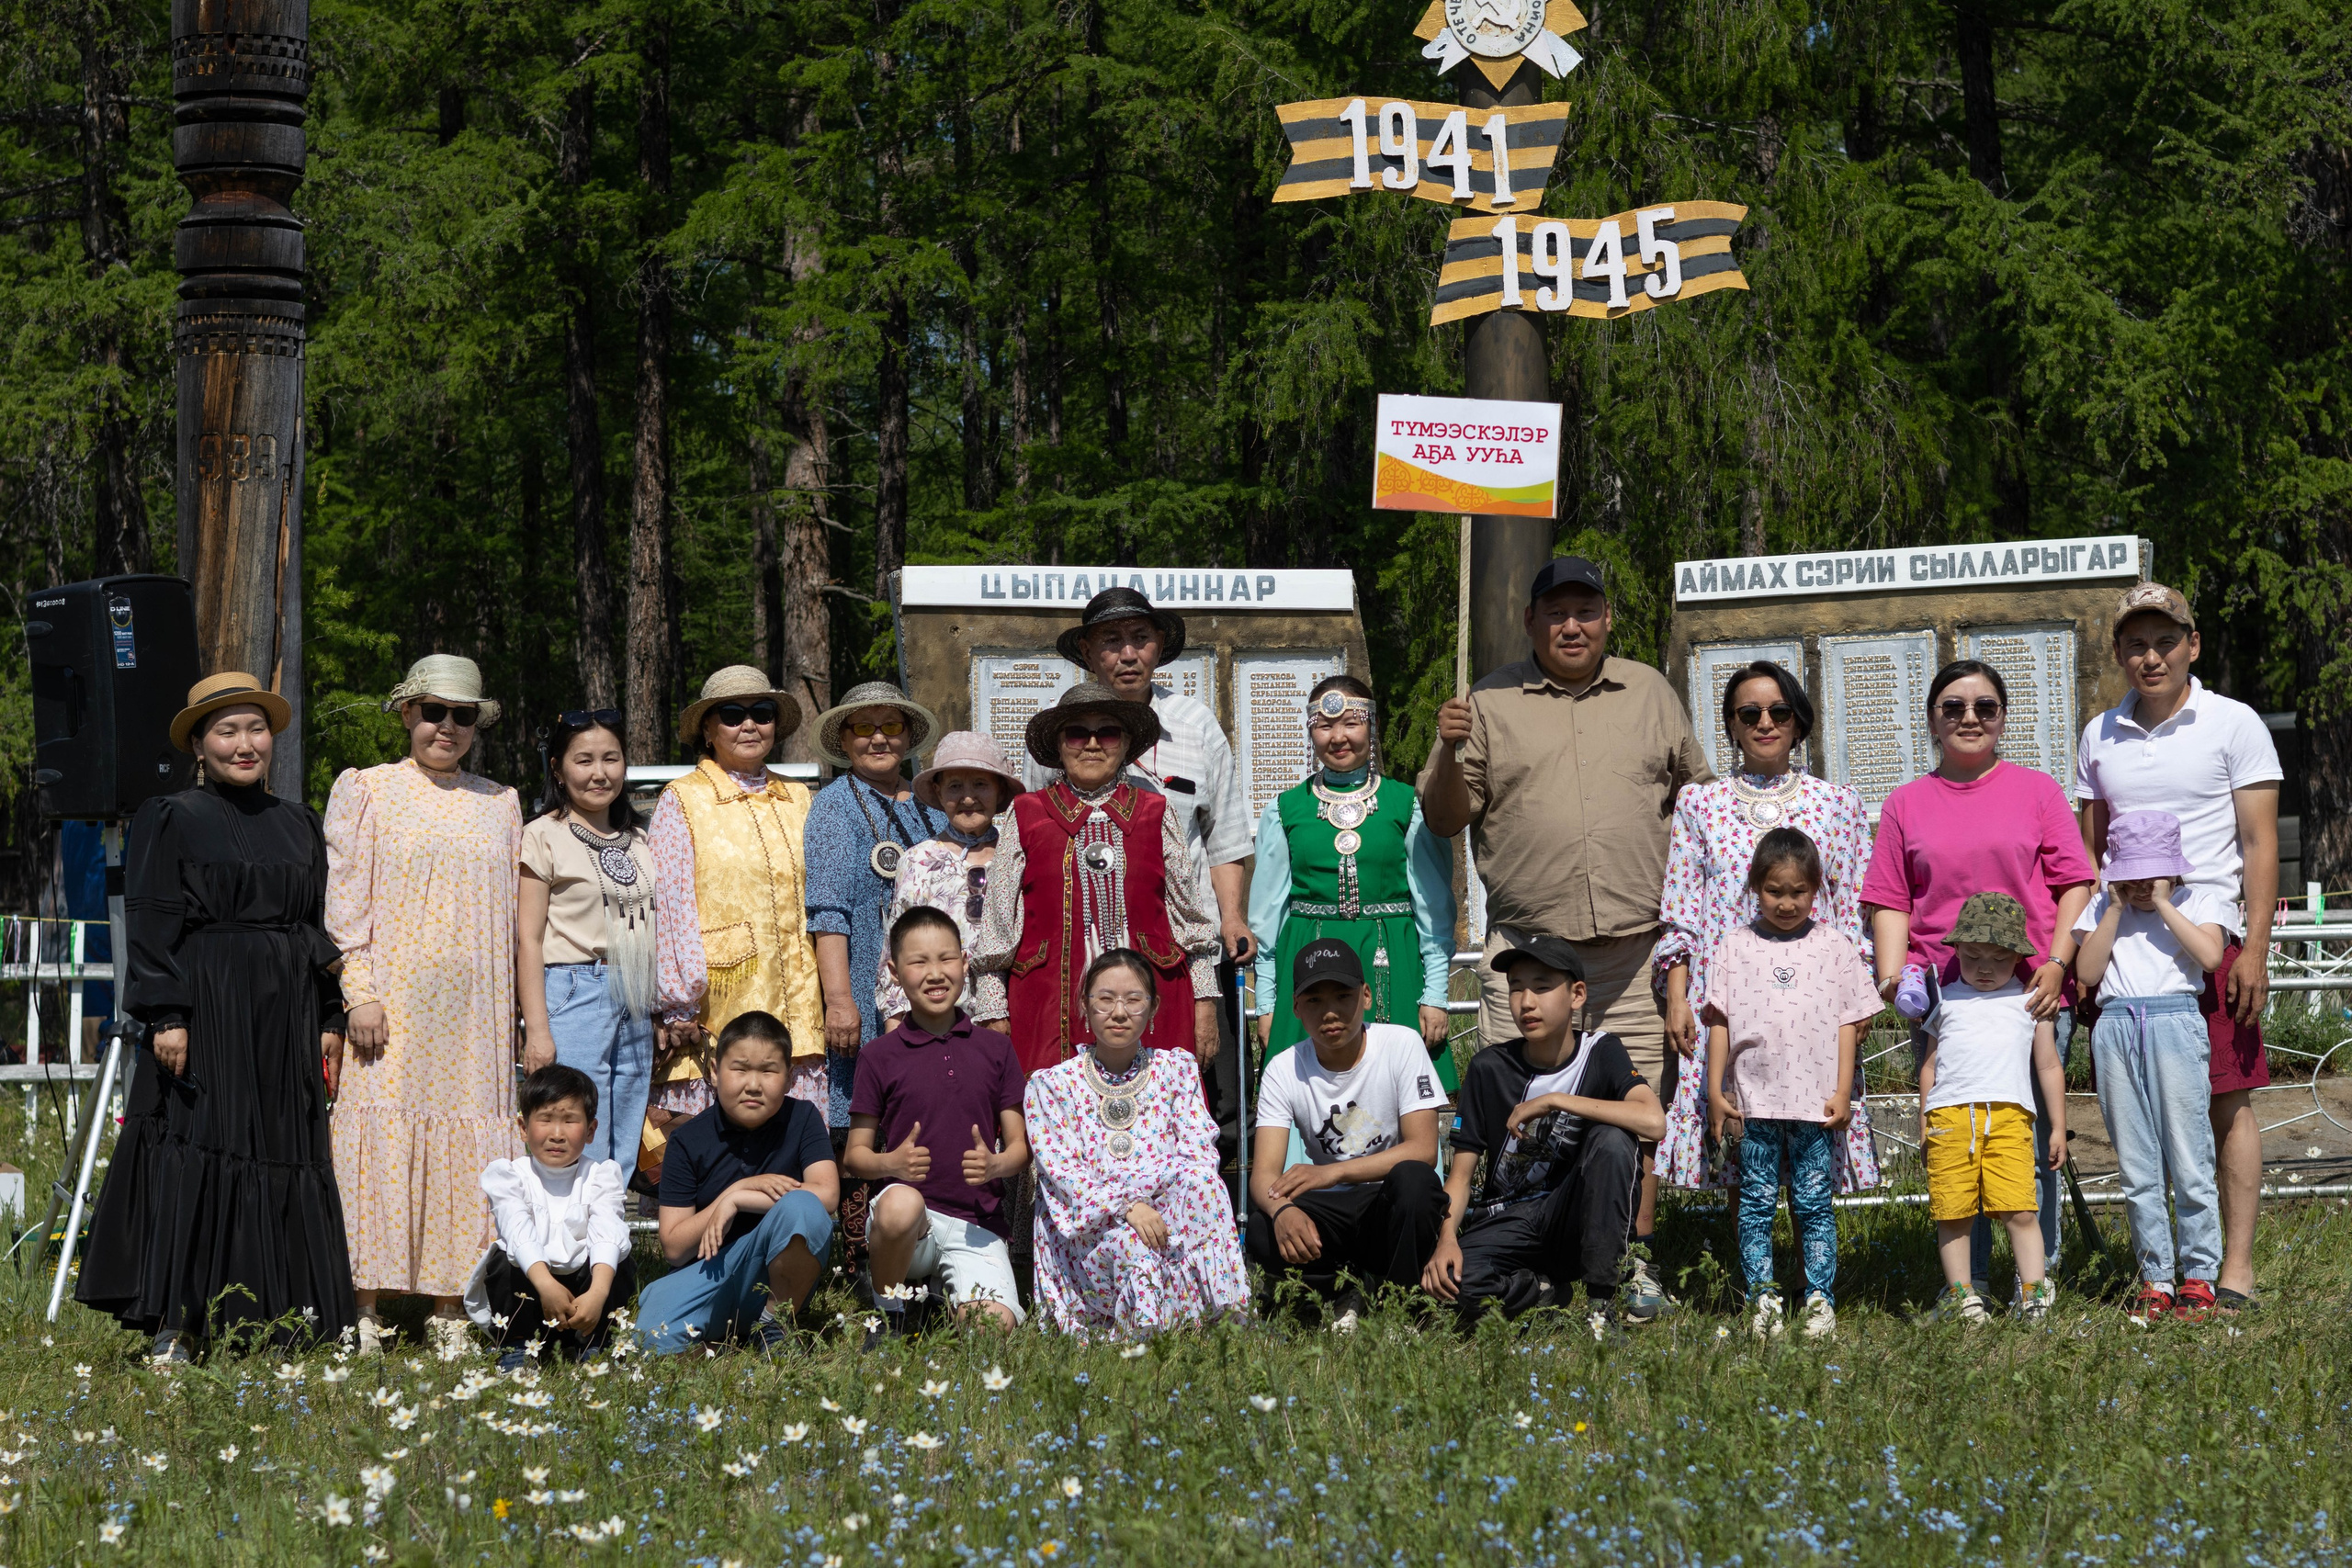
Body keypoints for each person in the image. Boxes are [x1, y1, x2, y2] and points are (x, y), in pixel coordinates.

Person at [1418, 555, 1708, 1323]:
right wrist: (1448, 747)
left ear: (1608, 616)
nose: (1571, 625)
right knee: (1516, 1121)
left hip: (1633, 950)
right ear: (1530, 621)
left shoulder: (1650, 691)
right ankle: (1527, 1258)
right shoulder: (1486, 700)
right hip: (1530, 960)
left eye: (1585, 610)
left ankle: (1629, 1263)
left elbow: (1700, 800)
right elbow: (1446, 818)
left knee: (1633, 1118)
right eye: (1555, 612)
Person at [75, 672, 357, 1361]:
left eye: (255, 728)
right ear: (198, 745)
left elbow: (317, 927)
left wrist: (330, 1014)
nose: (244, 743)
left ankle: (278, 1321)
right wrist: (166, 1012)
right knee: (198, 1146)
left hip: (285, 1014)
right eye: (226, 731)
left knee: (282, 1151)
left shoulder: (300, 822)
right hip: (206, 1008)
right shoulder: (169, 815)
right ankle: (179, 1324)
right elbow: (149, 922)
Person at [2074, 581, 2281, 1314]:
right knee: (2145, 1124)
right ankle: (2162, 1273)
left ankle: (2235, 1269)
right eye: (2136, 643)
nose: (2151, 655)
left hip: (2211, 934)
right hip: (2130, 954)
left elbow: (2259, 843)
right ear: (2121, 653)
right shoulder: (2100, 733)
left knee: (2229, 1099)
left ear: (2193, 643)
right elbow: (2092, 848)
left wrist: (2253, 946)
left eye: (2165, 640)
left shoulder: (2234, 722)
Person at [1860, 658, 2094, 1301]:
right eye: (1954, 707)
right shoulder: (1905, 803)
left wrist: (2056, 961)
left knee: (2025, 1141)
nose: (1969, 717)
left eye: (1985, 707)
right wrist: (1892, 978)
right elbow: (1889, 899)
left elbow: (2075, 882)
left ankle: (2032, 1284)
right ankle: (1972, 1285)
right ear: (1932, 719)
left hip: (2030, 994)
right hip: (1946, 1003)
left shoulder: (2037, 791)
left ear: (2003, 718)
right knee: (1959, 1139)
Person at [324, 654, 524, 1357]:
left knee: (471, 1147)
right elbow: (345, 902)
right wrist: (361, 992)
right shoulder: (366, 790)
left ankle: (449, 1303)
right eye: (434, 711)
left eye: (463, 715)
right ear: (407, 712)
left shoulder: (502, 801)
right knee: (376, 1139)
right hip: (394, 1005)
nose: (448, 726)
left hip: (478, 1013)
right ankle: (363, 1302)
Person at [1042, 588, 1254, 1152]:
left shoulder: (1195, 723)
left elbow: (1226, 837)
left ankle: (1209, 1221)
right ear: (1088, 651)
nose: (1128, 653)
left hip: (1186, 948)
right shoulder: (1060, 727)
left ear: (1160, 647)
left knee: (1209, 1092)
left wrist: (1232, 919)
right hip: (1090, 949)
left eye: (1141, 638)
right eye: (1111, 641)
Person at [1656, 660, 1878, 1195]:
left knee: (1812, 1152)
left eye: (1779, 711)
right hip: (1730, 1002)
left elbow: (1852, 912)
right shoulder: (1699, 803)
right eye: (1749, 712)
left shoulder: (1837, 804)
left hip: (1813, 1004)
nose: (1765, 722)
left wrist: (1857, 994)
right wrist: (1679, 999)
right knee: (1739, 1133)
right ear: (1731, 725)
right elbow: (1682, 911)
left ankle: (1813, 1276)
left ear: (1798, 721)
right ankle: (1753, 1279)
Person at [1422, 934, 1666, 1335]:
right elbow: (1461, 1176)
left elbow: (1653, 1121)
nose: (1526, 1002)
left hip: (1576, 1218)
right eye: (1516, 987)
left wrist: (1557, 1100)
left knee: (1613, 1138)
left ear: (1577, 995)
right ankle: (1544, 1292)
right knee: (1448, 1288)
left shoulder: (1601, 1051)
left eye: (1541, 986)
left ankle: (1601, 1304)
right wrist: (1446, 1238)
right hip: (1508, 1218)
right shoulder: (1488, 1068)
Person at [971, 682, 1221, 1072]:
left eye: (1106, 732)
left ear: (1124, 745)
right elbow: (999, 922)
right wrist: (992, 1007)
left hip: (1153, 996)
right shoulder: (1026, 814)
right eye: (1076, 733)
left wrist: (1204, 1003)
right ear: (1058, 746)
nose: (1091, 744)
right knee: (1052, 1118)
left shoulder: (1157, 812)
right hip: (1048, 1001)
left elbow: (1190, 918)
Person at [1701, 829, 1881, 1340]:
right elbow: (1719, 1022)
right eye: (1774, 891)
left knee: (1813, 1202)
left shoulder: (1835, 947)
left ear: (1816, 889)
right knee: (1754, 1201)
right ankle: (1762, 1296)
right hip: (1753, 1105)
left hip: (1814, 1105)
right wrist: (1717, 1091)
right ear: (1755, 887)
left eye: (1798, 892)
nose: (1786, 902)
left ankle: (1819, 1295)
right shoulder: (1734, 946)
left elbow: (1850, 1022)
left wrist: (1844, 1090)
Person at [647, 666, 826, 1172]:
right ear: (708, 729)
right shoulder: (682, 799)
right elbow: (672, 907)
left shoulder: (800, 798)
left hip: (799, 1001)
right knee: (717, 1160)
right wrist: (678, 1002)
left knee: (790, 1155)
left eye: (761, 713)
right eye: (732, 714)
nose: (749, 725)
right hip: (715, 1007)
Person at [1023, 949, 1250, 1336]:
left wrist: (1144, 1201)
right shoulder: (1052, 1086)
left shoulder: (1176, 1070)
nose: (1119, 1012)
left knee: (1207, 1186)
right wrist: (1128, 1205)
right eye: (1105, 999)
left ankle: (1229, 1319)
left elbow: (1198, 1154)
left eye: (1133, 999)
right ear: (1084, 1004)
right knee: (1135, 1244)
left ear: (1153, 1008)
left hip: (1165, 1215)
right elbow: (1065, 1176)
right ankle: (1147, 1344)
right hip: (1092, 1228)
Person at [1247, 676, 1456, 1089]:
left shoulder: (1407, 804)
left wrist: (1434, 993)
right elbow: (1267, 918)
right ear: (1310, 731)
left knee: (1398, 1085)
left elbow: (1432, 906)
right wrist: (1267, 1002)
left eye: (1351, 723)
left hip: (1390, 959)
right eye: (1325, 726)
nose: (1338, 737)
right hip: (1307, 960)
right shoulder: (1285, 810)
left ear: (1371, 727)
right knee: (1306, 1089)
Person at [2071, 809, 2231, 1320]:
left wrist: (2163, 901)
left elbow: (2209, 957)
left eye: (2153, 874)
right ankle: (2156, 1274)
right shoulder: (2103, 908)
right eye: (2132, 875)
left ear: (2173, 869)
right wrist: (2113, 909)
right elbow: (2089, 971)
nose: (2142, 885)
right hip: (2115, 1024)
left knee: (2189, 1154)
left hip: (2175, 1022)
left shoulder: (2199, 900)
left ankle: (2200, 1273)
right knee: (2137, 1163)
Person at [844, 908, 1029, 1341]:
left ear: (966, 963)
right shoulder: (879, 1055)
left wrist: (996, 1166)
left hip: (975, 1225)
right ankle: (889, 1311)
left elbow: (1020, 1147)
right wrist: (893, 1163)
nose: (935, 974)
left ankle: (934, 1298)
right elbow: (855, 1156)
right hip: (909, 1225)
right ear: (894, 972)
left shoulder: (996, 1050)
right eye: (918, 961)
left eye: (946, 959)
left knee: (989, 1329)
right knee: (900, 1203)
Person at [1245, 940, 1448, 1325]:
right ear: (1296, 1008)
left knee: (1416, 1181)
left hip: (1387, 1205)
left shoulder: (1401, 1043)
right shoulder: (1283, 1069)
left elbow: (1424, 1150)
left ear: (1367, 996)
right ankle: (1341, 1292)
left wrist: (1331, 1172)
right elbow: (1264, 1177)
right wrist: (1282, 1209)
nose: (1331, 1012)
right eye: (1314, 1001)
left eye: (1343, 995)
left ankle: (1404, 1304)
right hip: (1331, 1213)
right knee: (1262, 1227)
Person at [638, 1011, 840, 1355]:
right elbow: (673, 1247)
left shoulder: (802, 1118)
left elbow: (827, 1195)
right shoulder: (688, 1140)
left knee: (804, 1207)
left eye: (768, 1070)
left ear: (789, 1078)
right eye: (740, 1069)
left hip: (775, 1272)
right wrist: (729, 1196)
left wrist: (742, 1199)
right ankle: (730, 1337)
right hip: (708, 1274)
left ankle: (774, 1325)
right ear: (715, 1072)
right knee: (647, 1336)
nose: (753, 1084)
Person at [1916, 893, 2069, 1324]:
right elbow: (1929, 1067)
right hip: (1949, 1119)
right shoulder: (1944, 999)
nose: (1986, 968)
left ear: (2018, 956)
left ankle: (2034, 1295)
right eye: (1974, 956)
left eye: (2000, 959)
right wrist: (1924, 1120)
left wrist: (2057, 1126)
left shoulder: (2031, 1002)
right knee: (1953, 1212)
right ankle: (1963, 1298)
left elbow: (2049, 1065)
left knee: (2020, 1209)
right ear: (1957, 951)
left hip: (2010, 1119)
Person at [517, 709, 658, 1168]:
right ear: (557, 768)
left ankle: (608, 1237)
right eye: (584, 760)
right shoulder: (542, 835)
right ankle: (566, 1240)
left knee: (625, 1135)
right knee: (574, 1130)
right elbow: (529, 940)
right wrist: (537, 1028)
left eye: (611, 758)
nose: (599, 773)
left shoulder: (640, 837)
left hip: (635, 993)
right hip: (574, 991)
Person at [804, 681, 948, 1124]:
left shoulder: (934, 807)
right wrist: (841, 999)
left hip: (932, 982)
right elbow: (829, 913)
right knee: (865, 1110)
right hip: (864, 983)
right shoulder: (833, 806)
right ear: (844, 741)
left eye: (890, 725)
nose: (879, 737)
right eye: (863, 727)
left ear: (908, 736)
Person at [461, 1063, 634, 1369]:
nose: (557, 1134)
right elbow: (517, 1230)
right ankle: (517, 1348)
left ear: (591, 1130)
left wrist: (598, 1293)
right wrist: (546, 1285)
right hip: (531, 1299)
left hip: (586, 1305)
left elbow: (608, 1230)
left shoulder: (601, 1176)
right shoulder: (510, 1176)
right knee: (502, 1259)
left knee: (618, 1260)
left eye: (570, 1121)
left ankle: (595, 1343)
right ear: (523, 1128)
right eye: (545, 1119)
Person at [876, 730, 1025, 1026]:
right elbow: (897, 947)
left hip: (1013, 1014)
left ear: (999, 792)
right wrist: (896, 1030)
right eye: (955, 786)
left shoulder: (1020, 855)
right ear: (939, 792)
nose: (968, 798)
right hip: (937, 1019)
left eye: (981, 785)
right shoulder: (919, 860)